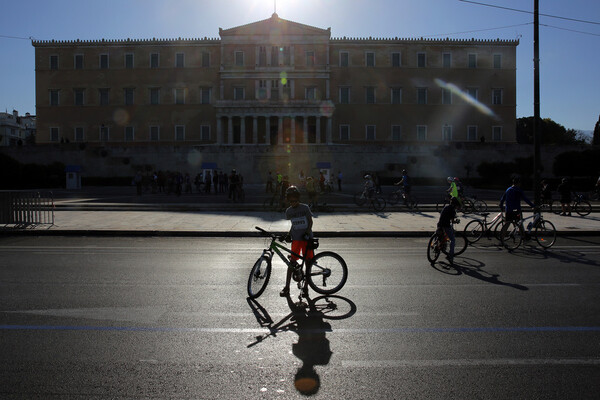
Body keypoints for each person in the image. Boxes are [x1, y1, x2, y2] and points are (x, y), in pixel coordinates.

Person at [281, 186, 314, 297]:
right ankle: (287, 287)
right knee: (291, 264)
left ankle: (306, 288)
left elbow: (310, 221)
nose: (293, 203)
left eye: (295, 200)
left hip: (306, 239)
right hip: (296, 239)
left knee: (308, 263)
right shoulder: (289, 211)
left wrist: (307, 232)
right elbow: (294, 225)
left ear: (298, 199)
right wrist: (288, 235)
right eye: (291, 201)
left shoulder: (305, 208)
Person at [437, 196, 460, 265]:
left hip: (439, 224)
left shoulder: (446, 207)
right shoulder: (452, 210)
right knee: (452, 240)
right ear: (455, 205)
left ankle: (437, 243)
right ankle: (450, 256)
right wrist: (456, 221)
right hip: (446, 225)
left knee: (439, 235)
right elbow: (452, 221)